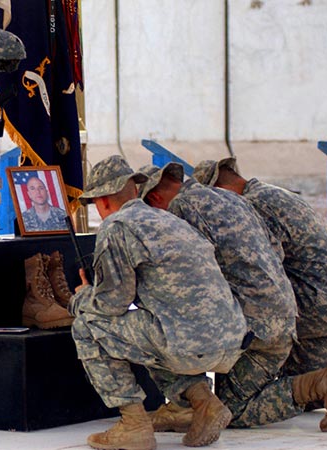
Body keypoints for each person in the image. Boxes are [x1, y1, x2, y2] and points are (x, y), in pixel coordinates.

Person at [139, 162, 327, 432]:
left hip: (306, 311)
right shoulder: (252, 198)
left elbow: (191, 277)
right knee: (301, 393)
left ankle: (183, 404)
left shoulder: (190, 207)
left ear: (154, 198)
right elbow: (273, 254)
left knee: (229, 408)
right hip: (326, 310)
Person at [192, 157, 327, 417]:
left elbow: (259, 275)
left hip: (314, 306)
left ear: (220, 191)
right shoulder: (273, 193)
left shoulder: (251, 206)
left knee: (233, 407)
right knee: (309, 391)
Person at [68, 155, 250, 449]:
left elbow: (112, 303)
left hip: (188, 344)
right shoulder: (170, 219)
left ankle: (133, 424)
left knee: (87, 326)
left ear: (102, 201)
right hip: (230, 340)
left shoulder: (117, 226)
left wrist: (80, 298)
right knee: (153, 330)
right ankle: (205, 404)